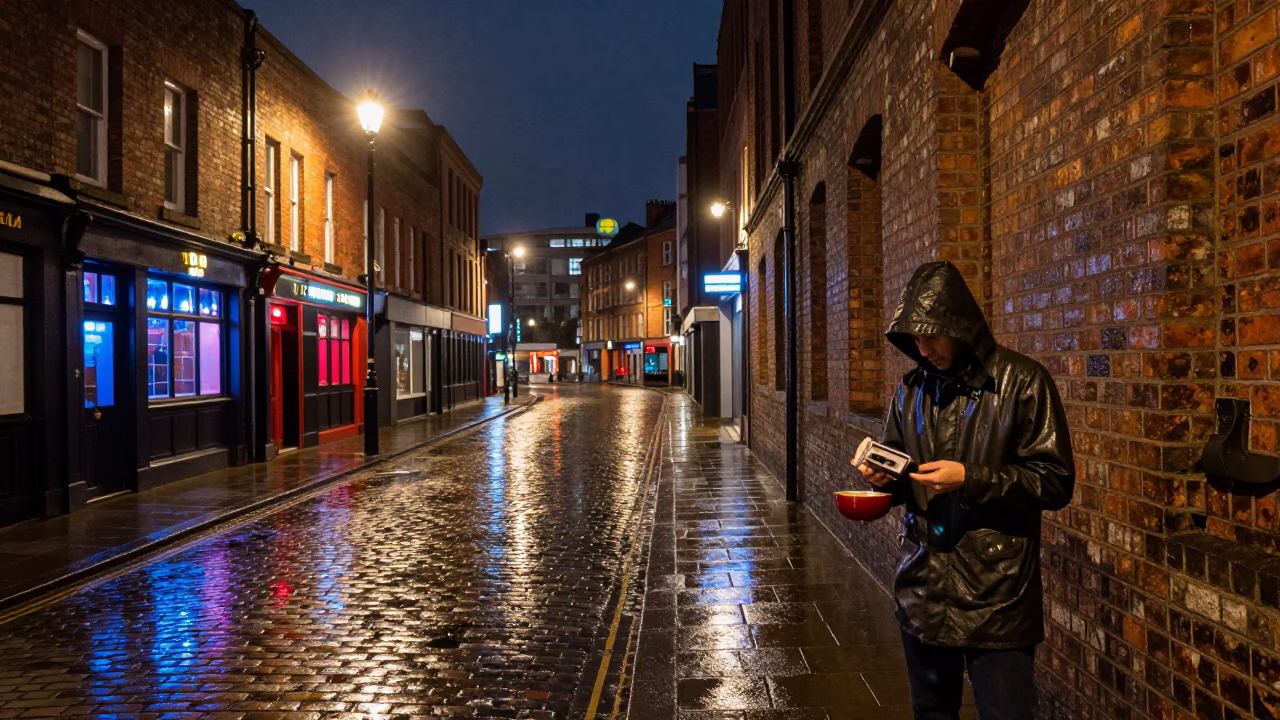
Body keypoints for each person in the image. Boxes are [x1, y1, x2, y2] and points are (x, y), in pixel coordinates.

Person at [856, 261, 1074, 720]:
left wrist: (971, 478)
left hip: (996, 597)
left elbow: (1054, 480)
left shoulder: (1022, 381)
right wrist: (882, 481)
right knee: (931, 713)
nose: (922, 348)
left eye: (931, 335)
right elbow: (902, 471)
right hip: (922, 589)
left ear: (957, 325)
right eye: (913, 338)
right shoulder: (910, 389)